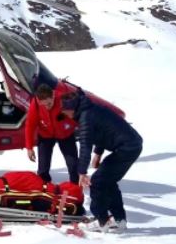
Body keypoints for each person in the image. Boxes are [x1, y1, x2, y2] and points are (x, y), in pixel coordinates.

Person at [60, 90, 143, 234]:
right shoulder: (91, 109)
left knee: (98, 181)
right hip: (131, 145)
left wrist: (82, 172)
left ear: (72, 108)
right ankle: (119, 220)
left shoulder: (86, 117)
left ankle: (101, 221)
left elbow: (85, 145)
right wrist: (98, 153)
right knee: (107, 181)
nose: (66, 115)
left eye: (66, 111)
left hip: (127, 148)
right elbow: (104, 131)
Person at [24, 83, 80, 184]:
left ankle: (75, 188)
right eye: (43, 105)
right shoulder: (35, 103)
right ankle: (44, 189)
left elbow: (77, 117)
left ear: (53, 96)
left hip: (65, 135)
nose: (46, 107)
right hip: (45, 135)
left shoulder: (63, 99)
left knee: (73, 166)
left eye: (49, 104)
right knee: (42, 169)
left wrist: (66, 123)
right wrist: (29, 147)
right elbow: (30, 125)